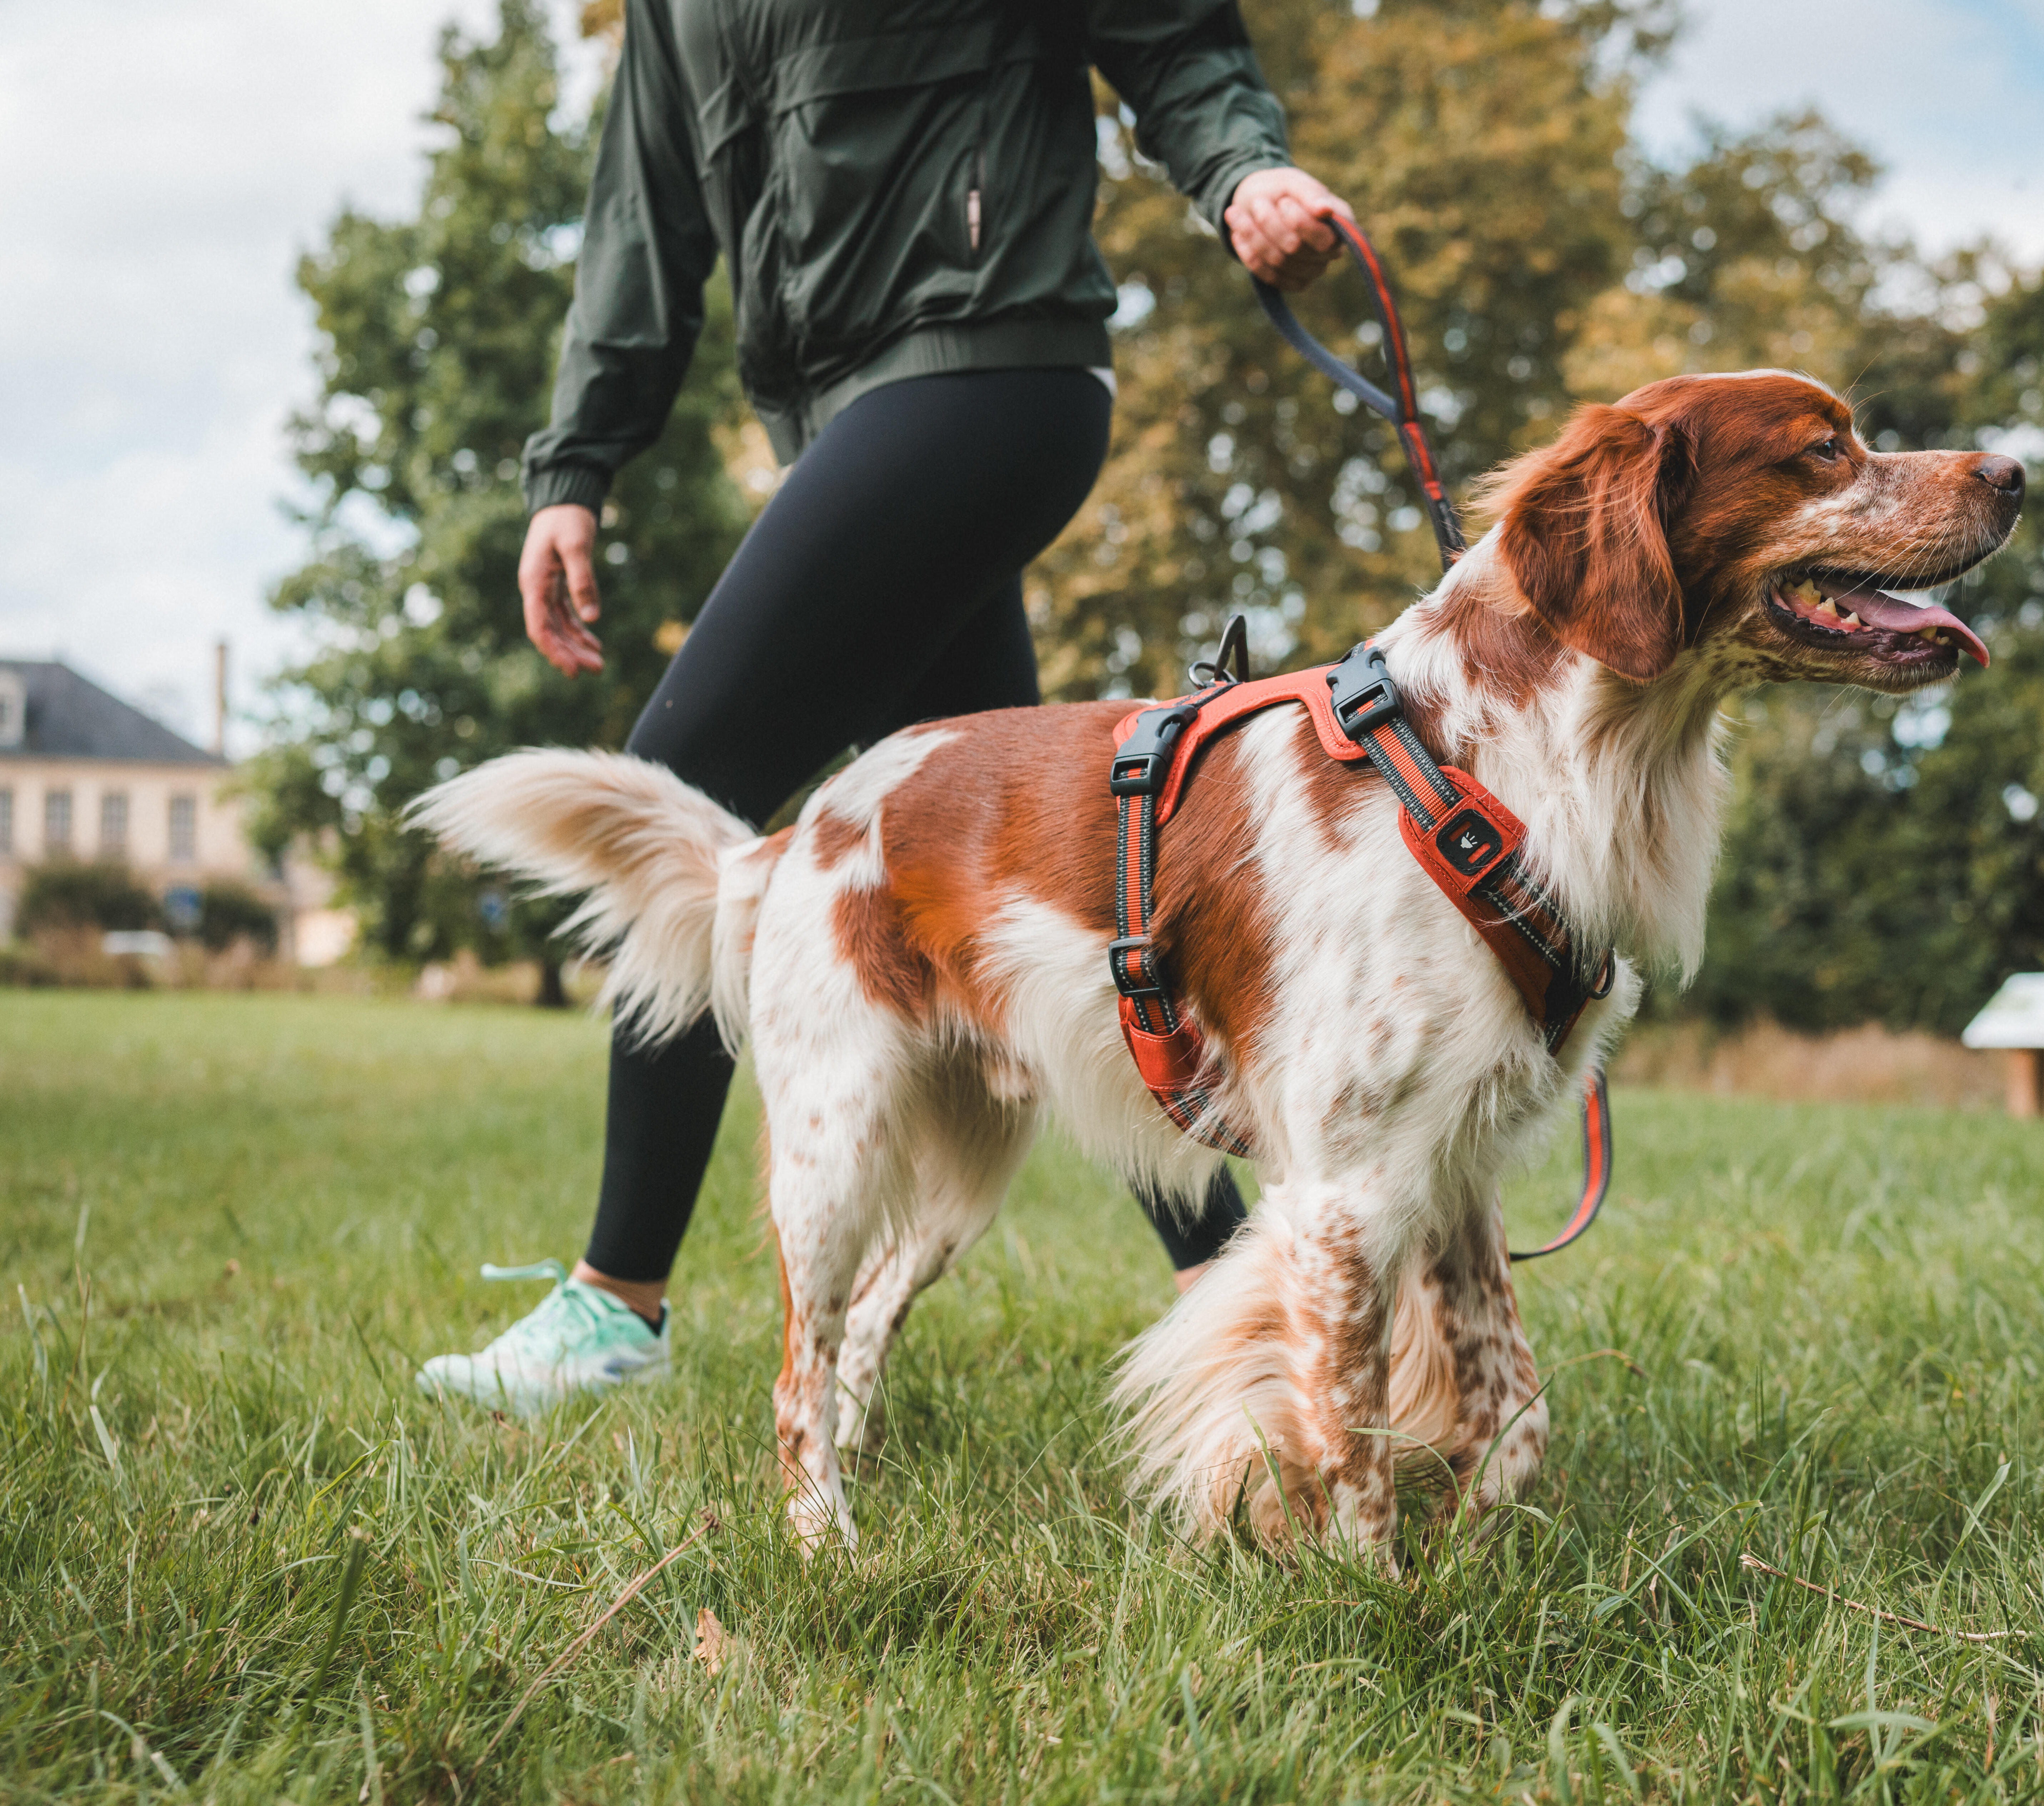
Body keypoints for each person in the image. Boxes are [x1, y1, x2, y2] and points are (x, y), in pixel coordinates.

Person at [417, 0, 1350, 1409]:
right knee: (1016, 888)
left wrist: (1240, 170)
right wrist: (574, 467)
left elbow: (1165, 30)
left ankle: (618, 1299)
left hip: (991, 355)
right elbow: (644, 213)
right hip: (840, 416)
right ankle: (1236, 1293)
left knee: (686, 783)